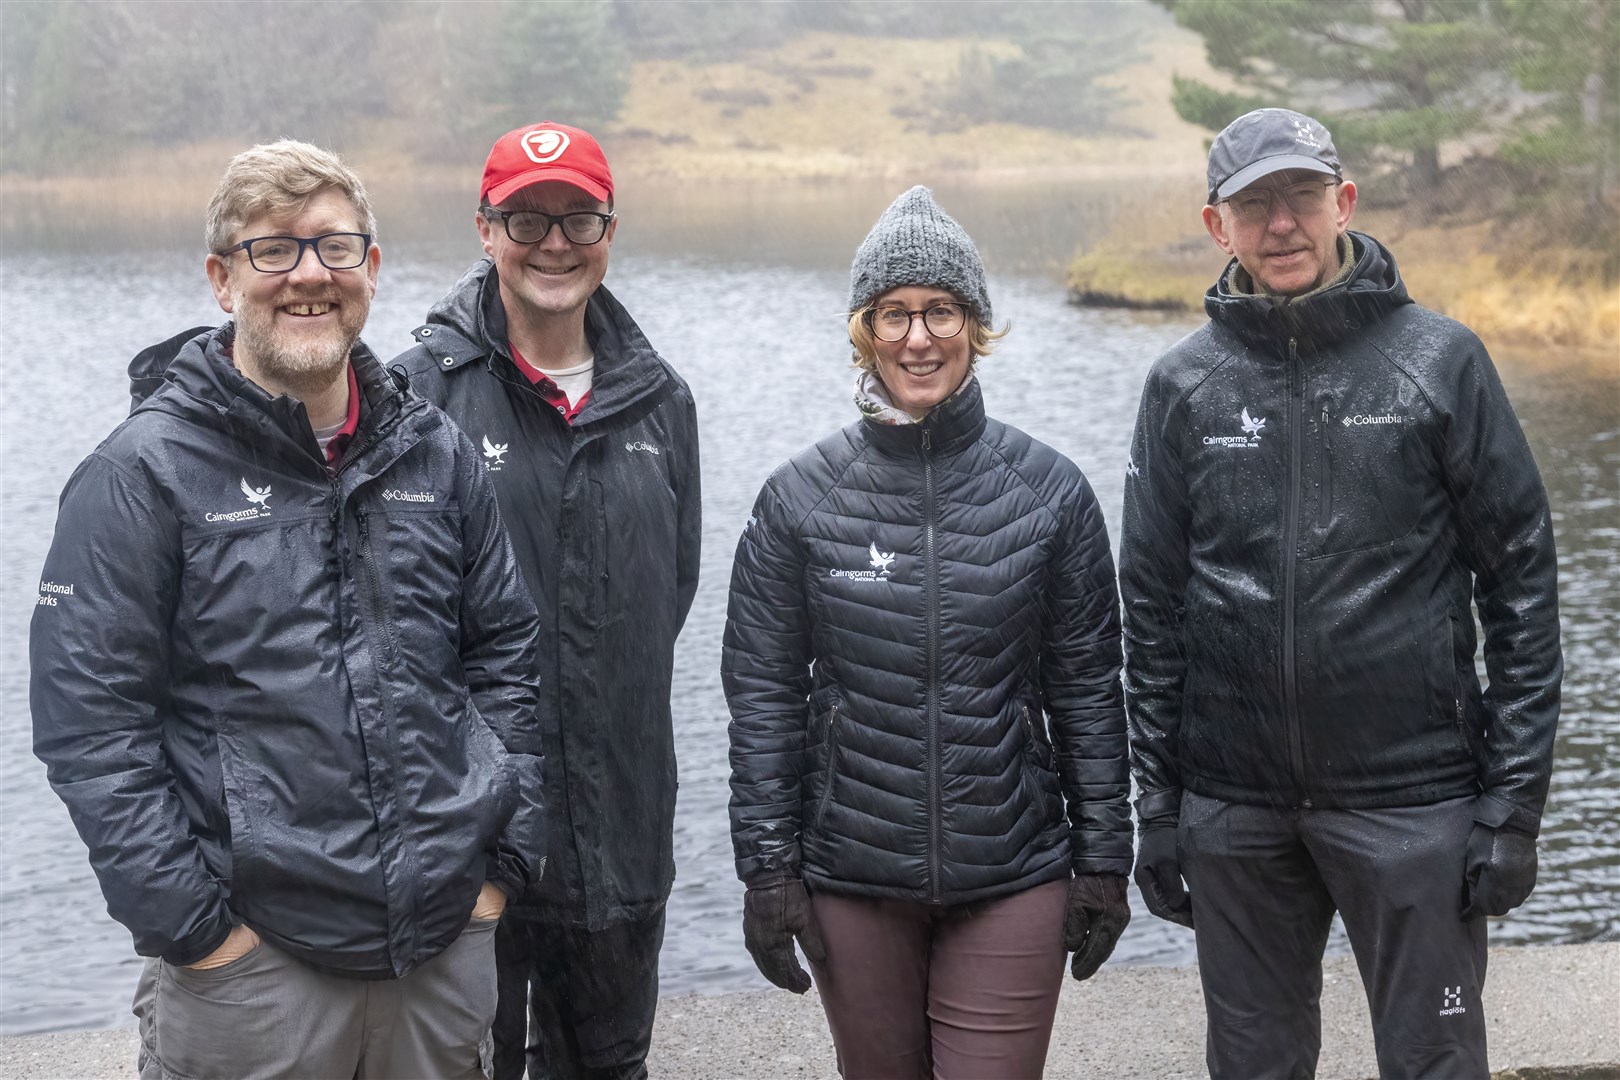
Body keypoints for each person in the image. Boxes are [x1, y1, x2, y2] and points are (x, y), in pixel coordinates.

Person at [29, 140, 546, 1079]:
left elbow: (506, 656)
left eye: (335, 248)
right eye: (274, 250)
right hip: (252, 974)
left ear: (372, 270)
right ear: (223, 279)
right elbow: (91, 728)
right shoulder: (140, 474)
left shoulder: (435, 457)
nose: (309, 275)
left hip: (439, 950)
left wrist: (495, 871)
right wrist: (195, 931)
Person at [1120, 108, 1562, 1079]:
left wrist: (1511, 810)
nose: (1282, 224)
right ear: (1216, 226)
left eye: (1301, 197)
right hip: (1233, 811)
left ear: (1343, 202)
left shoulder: (1441, 361)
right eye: (1254, 205)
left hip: (1415, 803)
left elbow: (1523, 584)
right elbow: (1149, 612)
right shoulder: (1181, 387)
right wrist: (1157, 807)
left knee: (1435, 1065)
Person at [724, 186, 1133, 1079]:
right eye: (895, 313)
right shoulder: (800, 499)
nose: (919, 337)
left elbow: (1088, 688)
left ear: (975, 326)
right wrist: (767, 870)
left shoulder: (1051, 493)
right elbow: (762, 698)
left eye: (941, 310)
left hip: (1015, 869)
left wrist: (1105, 857)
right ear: (863, 330)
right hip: (850, 874)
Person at [393, 121, 700, 1080]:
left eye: (579, 217)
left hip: (620, 837)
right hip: (466, 854)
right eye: (527, 219)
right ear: (485, 231)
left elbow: (671, 595)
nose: (554, 243)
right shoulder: (417, 399)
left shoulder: (661, 401)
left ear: (611, 229)